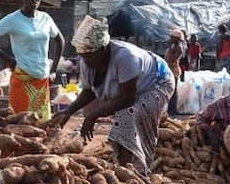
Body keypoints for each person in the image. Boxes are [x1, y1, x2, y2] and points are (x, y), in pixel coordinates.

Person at [43, 17, 176, 175]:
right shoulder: (87, 61)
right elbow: (89, 91)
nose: (85, 61)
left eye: (89, 56)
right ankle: (123, 167)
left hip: (158, 82)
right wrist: (68, 111)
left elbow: (127, 99)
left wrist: (93, 116)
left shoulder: (126, 57)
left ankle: (132, 171)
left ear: (103, 49)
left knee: (128, 114)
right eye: (82, 56)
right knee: (124, 118)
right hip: (136, 87)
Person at [0, 0, 65, 120]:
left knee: (41, 123)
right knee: (20, 122)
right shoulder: (12, 19)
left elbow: (60, 41)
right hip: (22, 78)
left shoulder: (46, 18)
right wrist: (8, 59)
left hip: (42, 80)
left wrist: (54, 70)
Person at [164, 29, 186, 115]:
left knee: (173, 91)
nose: (170, 39)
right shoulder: (173, 46)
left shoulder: (179, 48)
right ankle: (170, 109)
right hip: (170, 70)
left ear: (177, 39)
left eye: (172, 38)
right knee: (170, 90)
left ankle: (173, 110)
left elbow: (173, 58)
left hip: (174, 71)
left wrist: (169, 47)